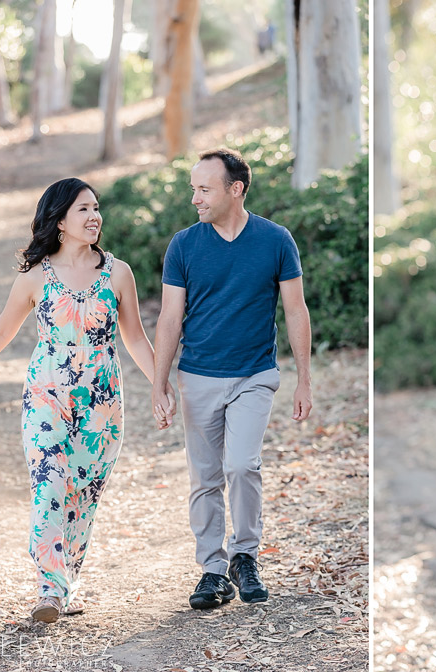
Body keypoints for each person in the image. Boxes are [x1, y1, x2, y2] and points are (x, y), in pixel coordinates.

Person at [0, 178, 173, 623]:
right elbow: (1, 330)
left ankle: (65, 580)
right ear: (61, 221)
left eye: (96, 207)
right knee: (50, 486)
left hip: (102, 407)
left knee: (83, 497)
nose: (94, 216)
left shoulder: (118, 272)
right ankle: (49, 590)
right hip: (45, 397)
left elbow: (135, 338)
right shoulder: (36, 277)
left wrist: (160, 387)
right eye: (83, 209)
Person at [152, 148, 312, 610]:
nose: (195, 199)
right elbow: (169, 318)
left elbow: (295, 309)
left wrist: (304, 380)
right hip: (197, 376)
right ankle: (212, 571)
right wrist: (160, 382)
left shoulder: (276, 240)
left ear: (235, 189)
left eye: (204, 189)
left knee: (242, 465)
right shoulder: (184, 245)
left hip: (254, 375)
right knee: (204, 477)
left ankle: (245, 554)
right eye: (193, 189)